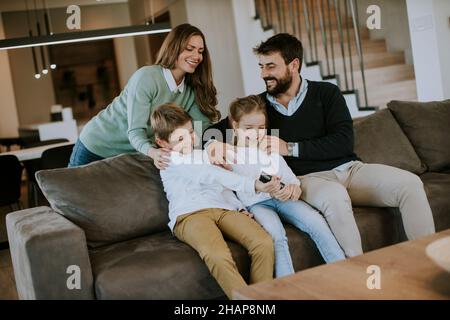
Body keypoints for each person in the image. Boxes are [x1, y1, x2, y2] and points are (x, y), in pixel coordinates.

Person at [252, 33, 435, 257]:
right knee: (335, 196)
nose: (263, 74)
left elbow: (343, 141)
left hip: (350, 170)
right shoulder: (258, 106)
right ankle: (357, 277)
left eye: (270, 66)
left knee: (410, 184)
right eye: (261, 66)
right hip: (307, 179)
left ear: (294, 65)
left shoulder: (327, 93)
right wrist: (205, 140)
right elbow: (220, 131)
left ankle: (427, 264)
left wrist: (289, 148)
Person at [151, 103, 277, 299]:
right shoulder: (169, 160)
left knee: (263, 242)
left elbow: (221, 186)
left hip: (224, 208)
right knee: (217, 255)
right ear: (162, 143)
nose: (191, 140)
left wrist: (239, 207)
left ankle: (259, 298)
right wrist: (254, 185)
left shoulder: (203, 155)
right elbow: (209, 174)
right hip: (190, 215)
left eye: (191, 132)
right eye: (180, 138)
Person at [220, 95, 345, 278]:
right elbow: (226, 189)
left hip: (281, 199)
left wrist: (294, 187)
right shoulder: (229, 155)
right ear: (235, 126)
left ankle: (343, 271)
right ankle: (287, 288)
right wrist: (239, 208)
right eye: (249, 128)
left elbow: (289, 177)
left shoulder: (269, 148)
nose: (256, 134)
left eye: (261, 128)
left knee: (315, 220)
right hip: (257, 205)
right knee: (276, 235)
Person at [68, 23, 220, 168]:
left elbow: (201, 128)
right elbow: (135, 131)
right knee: (69, 193)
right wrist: (153, 152)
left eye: (200, 51)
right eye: (189, 49)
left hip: (134, 152)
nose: (196, 56)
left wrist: (213, 145)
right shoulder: (147, 77)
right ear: (174, 48)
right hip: (97, 144)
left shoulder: (192, 88)